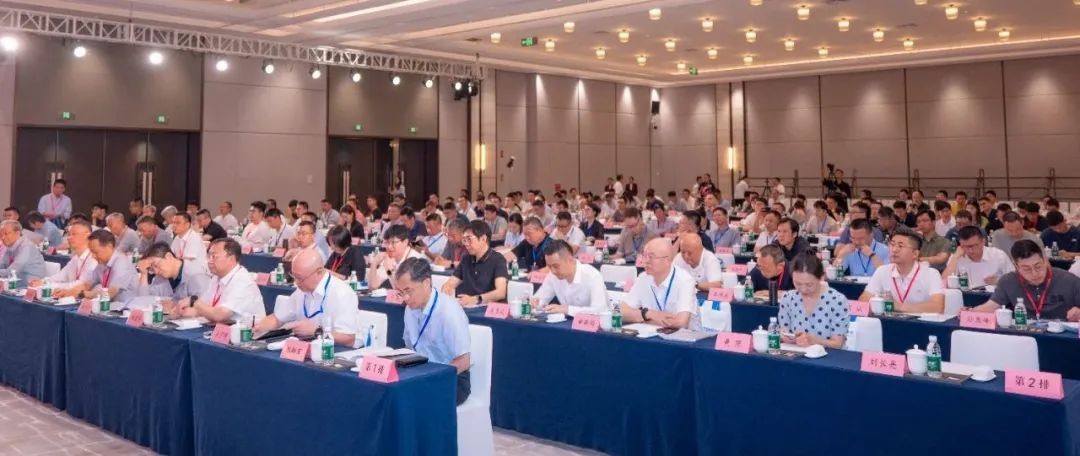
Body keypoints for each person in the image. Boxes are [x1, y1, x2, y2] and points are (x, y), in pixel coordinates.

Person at [393, 258, 472, 405]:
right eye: (400, 292)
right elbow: (409, 348)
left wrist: (432, 376)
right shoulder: (410, 309)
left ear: (426, 283)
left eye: (408, 291)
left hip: (451, 377)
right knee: (392, 392)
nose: (405, 298)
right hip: (421, 371)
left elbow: (464, 362)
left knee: (414, 399)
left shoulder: (448, 311)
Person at [255, 249, 360, 346]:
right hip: (304, 348)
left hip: (333, 351)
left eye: (300, 278)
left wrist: (317, 331)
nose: (296, 282)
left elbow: (349, 339)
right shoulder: (301, 291)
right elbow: (277, 319)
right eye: (294, 276)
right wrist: (257, 327)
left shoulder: (342, 293)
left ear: (319, 272)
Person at [971, 240, 1080, 321]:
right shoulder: (1008, 281)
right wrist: (969, 311)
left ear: (1044, 260)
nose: (1034, 273)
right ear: (1016, 266)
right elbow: (991, 306)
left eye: (1038, 266)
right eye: (1026, 269)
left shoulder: (1069, 280)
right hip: (1025, 335)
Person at [172, 238, 265, 323]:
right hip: (222, 329)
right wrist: (184, 311)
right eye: (208, 256)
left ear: (231, 259)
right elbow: (205, 306)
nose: (209, 261)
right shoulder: (217, 277)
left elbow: (220, 315)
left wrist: (194, 301)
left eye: (214, 256)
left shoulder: (242, 281)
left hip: (245, 333)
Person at [618, 239, 701, 330]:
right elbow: (622, 311)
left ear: (667, 260)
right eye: (644, 256)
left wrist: (641, 319)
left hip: (684, 337)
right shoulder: (643, 278)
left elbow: (681, 323)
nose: (645, 261)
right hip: (651, 333)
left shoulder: (685, 281)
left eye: (651, 257)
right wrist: (648, 314)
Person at [860, 230, 945, 313]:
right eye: (892, 245)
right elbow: (863, 300)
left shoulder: (931, 274)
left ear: (915, 254)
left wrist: (898, 306)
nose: (894, 250)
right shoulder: (882, 271)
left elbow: (938, 307)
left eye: (900, 246)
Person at [778, 253, 849, 349]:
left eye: (809, 285)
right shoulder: (788, 298)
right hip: (796, 352)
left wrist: (815, 341)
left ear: (821, 277)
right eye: (797, 284)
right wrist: (785, 337)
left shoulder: (837, 301)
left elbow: (838, 344)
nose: (803, 289)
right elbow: (784, 332)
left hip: (828, 355)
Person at [531, 240, 609, 316]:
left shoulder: (592, 275)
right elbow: (540, 299)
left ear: (570, 260)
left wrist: (567, 309)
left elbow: (600, 310)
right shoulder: (552, 275)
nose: (553, 271)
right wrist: (535, 303)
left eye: (556, 266)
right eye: (549, 266)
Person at [440, 221, 509, 307]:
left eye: (469, 239)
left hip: (491, 310)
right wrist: (447, 287)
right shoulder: (466, 259)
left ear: (483, 239)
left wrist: (476, 299)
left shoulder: (498, 259)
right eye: (464, 240)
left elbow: (501, 292)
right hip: (470, 308)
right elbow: (451, 282)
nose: (466, 244)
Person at [61, 230, 138, 303]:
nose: (93, 256)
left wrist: (83, 294)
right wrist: (69, 292)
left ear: (109, 246)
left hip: (125, 307)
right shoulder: (102, 263)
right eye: (91, 252)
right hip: (108, 305)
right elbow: (87, 284)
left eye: (96, 252)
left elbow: (110, 293)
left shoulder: (122, 263)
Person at [133, 241, 212, 302]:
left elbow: (205, 306)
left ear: (169, 256)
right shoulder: (161, 277)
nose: (156, 271)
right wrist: (144, 274)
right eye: (152, 269)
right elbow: (143, 300)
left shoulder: (196, 275)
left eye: (156, 265)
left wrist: (176, 306)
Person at [31, 220, 96, 292]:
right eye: (69, 234)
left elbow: (80, 285)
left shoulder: (94, 258)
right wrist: (43, 281)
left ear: (88, 236)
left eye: (74, 234)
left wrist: (47, 285)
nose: (69, 237)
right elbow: (60, 277)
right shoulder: (75, 258)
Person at [941, 226, 1013, 288]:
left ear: (983, 242)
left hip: (994, 296)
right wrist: (955, 257)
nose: (970, 251)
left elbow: (1014, 280)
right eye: (965, 246)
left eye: (973, 246)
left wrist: (999, 281)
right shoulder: (958, 256)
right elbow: (944, 282)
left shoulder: (998, 255)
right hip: (967, 295)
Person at [366, 225, 428, 289]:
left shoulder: (416, 259)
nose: (389, 247)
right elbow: (373, 286)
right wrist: (374, 263)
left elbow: (404, 290)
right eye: (387, 242)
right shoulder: (390, 257)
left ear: (405, 242)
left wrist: (389, 271)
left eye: (393, 242)